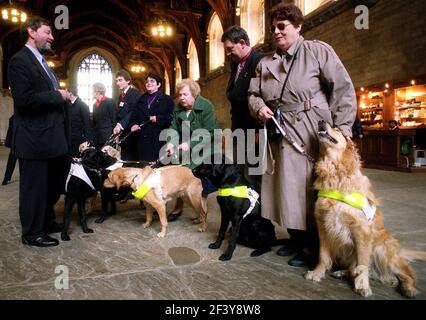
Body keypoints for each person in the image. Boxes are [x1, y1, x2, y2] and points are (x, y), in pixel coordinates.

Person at [248, 3, 357, 267]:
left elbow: (342, 89)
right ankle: (297, 239)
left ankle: (317, 246)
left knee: (311, 188)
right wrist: (260, 107)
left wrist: (342, 130)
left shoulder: (317, 51)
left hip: (311, 129)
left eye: (282, 26)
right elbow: (253, 94)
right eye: (273, 27)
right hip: (280, 130)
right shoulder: (265, 63)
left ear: (298, 27)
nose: (276, 31)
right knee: (286, 189)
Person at [8, 17, 72, 247]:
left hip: (51, 137)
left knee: (52, 182)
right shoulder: (20, 61)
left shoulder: (42, 62)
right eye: (48, 32)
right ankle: (32, 232)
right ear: (32, 32)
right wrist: (58, 95)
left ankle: (45, 221)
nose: (52, 37)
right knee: (34, 188)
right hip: (34, 137)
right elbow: (24, 100)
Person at [165, 79, 218, 221]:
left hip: (205, 149)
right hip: (186, 149)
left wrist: (190, 143)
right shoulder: (178, 108)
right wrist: (171, 143)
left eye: (185, 94)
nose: (181, 97)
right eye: (180, 94)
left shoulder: (206, 106)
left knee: (200, 181)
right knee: (181, 177)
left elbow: (210, 132)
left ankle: (202, 212)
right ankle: (178, 207)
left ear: (194, 94)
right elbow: (174, 128)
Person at [222, 26, 264, 193]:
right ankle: (244, 211)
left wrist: (259, 130)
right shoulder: (235, 65)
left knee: (254, 175)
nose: (228, 54)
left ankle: (257, 214)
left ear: (242, 43)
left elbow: (265, 99)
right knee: (240, 172)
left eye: (230, 49)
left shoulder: (259, 61)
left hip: (254, 131)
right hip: (239, 129)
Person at [130, 72, 174, 162]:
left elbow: (172, 117)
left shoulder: (167, 99)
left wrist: (158, 119)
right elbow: (133, 117)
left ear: (158, 84)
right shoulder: (140, 100)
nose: (148, 83)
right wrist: (133, 124)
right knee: (145, 168)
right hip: (143, 140)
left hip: (159, 139)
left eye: (152, 81)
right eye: (147, 81)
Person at [113, 70, 141, 161]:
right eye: (116, 81)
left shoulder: (135, 94)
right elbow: (119, 115)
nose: (117, 83)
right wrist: (118, 133)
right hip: (123, 134)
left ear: (128, 81)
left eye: (120, 80)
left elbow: (132, 112)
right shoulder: (120, 96)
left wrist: (120, 125)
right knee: (124, 159)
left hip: (132, 134)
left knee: (131, 161)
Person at [68, 86, 93, 156]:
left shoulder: (83, 106)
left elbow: (87, 124)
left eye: (67, 92)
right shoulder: (68, 104)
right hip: (70, 139)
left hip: (79, 140)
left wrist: (87, 140)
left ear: (70, 93)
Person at [92, 82, 116, 149]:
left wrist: (115, 136)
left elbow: (114, 119)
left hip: (107, 137)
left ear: (97, 91)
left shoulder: (109, 102)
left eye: (93, 91)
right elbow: (94, 122)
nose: (92, 93)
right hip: (97, 138)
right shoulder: (94, 105)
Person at [2, 115, 17, 185]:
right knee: (12, 160)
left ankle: (6, 178)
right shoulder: (15, 117)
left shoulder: (14, 117)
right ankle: (6, 178)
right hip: (17, 142)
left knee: (12, 160)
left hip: (19, 142)